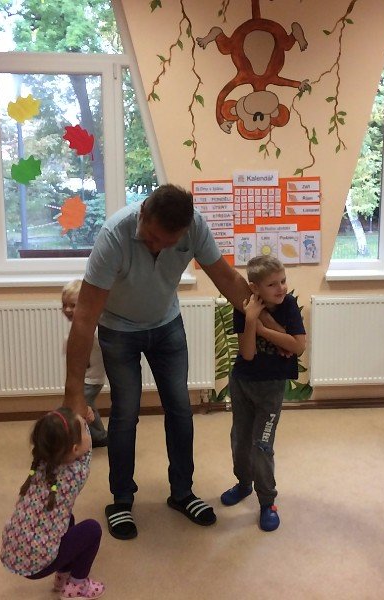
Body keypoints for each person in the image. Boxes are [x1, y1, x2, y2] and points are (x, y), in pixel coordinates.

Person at [64, 183, 271, 541]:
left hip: (166, 325)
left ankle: (182, 493)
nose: (157, 247)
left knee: (180, 409)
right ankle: (121, 500)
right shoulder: (113, 236)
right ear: (143, 212)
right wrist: (73, 394)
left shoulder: (195, 226)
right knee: (125, 414)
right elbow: (84, 317)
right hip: (118, 329)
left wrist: (275, 330)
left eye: (167, 242)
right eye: (151, 237)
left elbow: (227, 279)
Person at [219, 256, 306, 532]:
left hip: (271, 389)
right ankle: (244, 483)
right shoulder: (244, 307)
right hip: (242, 383)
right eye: (272, 284)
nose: (281, 288)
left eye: (283, 281)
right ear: (255, 288)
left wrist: (262, 329)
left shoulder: (288, 305)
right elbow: (247, 354)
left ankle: (267, 501)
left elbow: (298, 346)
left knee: (262, 445)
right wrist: (250, 319)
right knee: (240, 441)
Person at [1, 408, 105, 600]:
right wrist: (87, 423)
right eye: (84, 430)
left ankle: (62, 574)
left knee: (68, 519)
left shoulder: (41, 462)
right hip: (39, 564)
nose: (86, 431)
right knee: (92, 529)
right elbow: (87, 451)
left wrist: (77, 423)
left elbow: (57, 432)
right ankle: (77, 586)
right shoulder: (75, 473)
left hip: (14, 553)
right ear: (74, 449)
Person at [62, 280, 108, 448]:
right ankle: (99, 435)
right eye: (64, 305)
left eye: (73, 305)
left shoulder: (92, 329)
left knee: (77, 406)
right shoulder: (77, 329)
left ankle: (77, 437)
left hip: (91, 379)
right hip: (85, 378)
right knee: (88, 406)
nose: (67, 309)